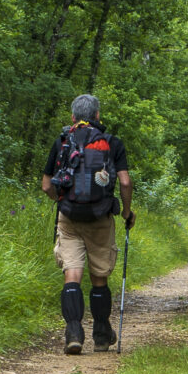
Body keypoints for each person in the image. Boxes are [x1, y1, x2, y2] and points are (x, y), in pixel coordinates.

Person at [43, 93, 135, 354]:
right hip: (100, 217)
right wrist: (126, 212)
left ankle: (73, 332)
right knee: (99, 277)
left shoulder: (62, 141)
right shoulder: (112, 142)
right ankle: (102, 334)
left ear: (73, 117)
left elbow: (46, 184)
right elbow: (126, 182)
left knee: (72, 272)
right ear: (97, 116)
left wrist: (60, 199)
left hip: (69, 217)